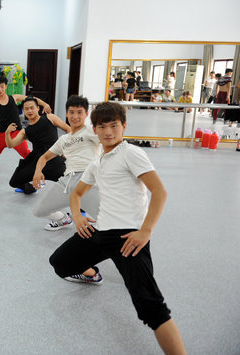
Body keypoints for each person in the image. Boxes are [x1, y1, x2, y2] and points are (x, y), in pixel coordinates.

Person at [48, 102, 186, 355]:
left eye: (114, 125)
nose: (108, 131)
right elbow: (77, 193)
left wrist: (145, 231)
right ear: (95, 129)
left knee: (151, 308)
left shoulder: (130, 153)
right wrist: (77, 216)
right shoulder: (98, 161)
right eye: (103, 126)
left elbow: (160, 192)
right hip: (100, 231)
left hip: (127, 238)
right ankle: (92, 273)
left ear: (124, 126)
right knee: (59, 262)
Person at [32, 95, 101, 231]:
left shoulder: (90, 131)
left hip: (88, 180)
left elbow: (109, 140)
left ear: (86, 114)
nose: (75, 116)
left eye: (79, 112)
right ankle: (63, 219)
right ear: (66, 114)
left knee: (110, 222)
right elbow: (44, 158)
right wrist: (37, 172)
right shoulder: (64, 139)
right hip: (67, 182)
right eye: (71, 112)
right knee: (38, 211)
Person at [0, 75, 52, 170]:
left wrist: (44, 104)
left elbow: (32, 99)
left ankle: (36, 168)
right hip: (2, 133)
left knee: (26, 153)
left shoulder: (14, 98)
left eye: (2, 87)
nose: (0, 89)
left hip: (16, 132)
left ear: (6, 86)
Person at [5, 96, 69, 194]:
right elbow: (10, 145)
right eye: (26, 109)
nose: (29, 111)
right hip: (36, 160)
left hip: (54, 157)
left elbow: (69, 130)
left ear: (38, 108)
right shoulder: (25, 131)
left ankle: (81, 206)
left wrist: (66, 149)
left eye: (32, 108)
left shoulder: (50, 118)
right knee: (14, 181)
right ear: (23, 111)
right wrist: (7, 134)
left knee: (69, 184)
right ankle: (31, 189)